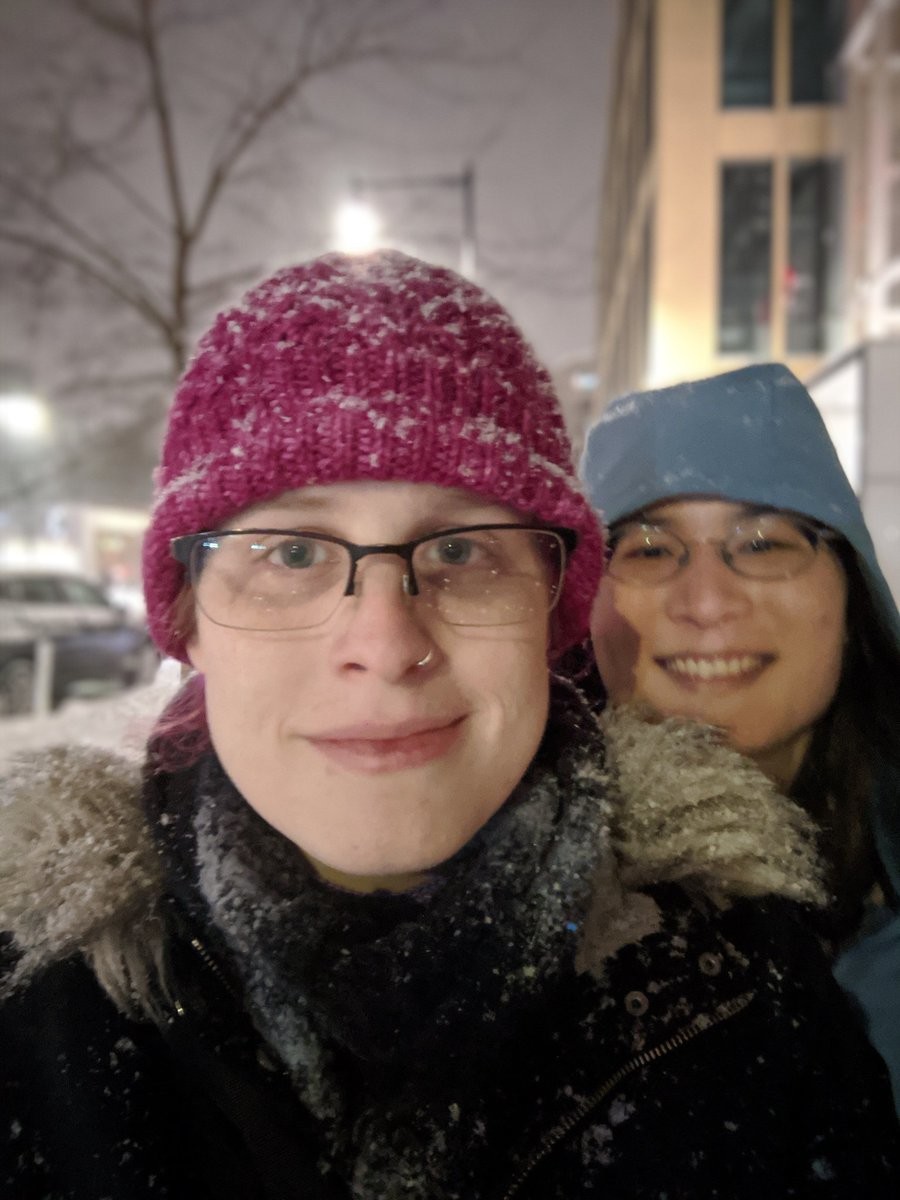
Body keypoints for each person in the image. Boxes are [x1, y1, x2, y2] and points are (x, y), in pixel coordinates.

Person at [2, 259, 898, 1200]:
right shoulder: (36, 1026)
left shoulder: (749, 994)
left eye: (462, 549)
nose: (386, 644)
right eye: (293, 552)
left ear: (552, 613)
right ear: (185, 618)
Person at [580, 360, 900, 1112]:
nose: (709, 602)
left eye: (764, 543)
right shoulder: (504, 921)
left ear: (851, 591)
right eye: (650, 549)